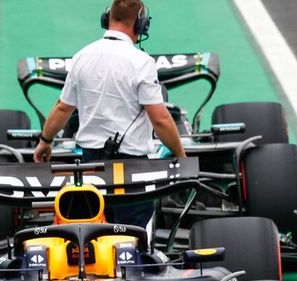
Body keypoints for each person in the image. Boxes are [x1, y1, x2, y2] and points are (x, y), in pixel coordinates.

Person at [33, 0, 185, 226]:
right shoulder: (141, 62)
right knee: (133, 236)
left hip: (90, 165)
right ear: (141, 24)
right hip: (131, 168)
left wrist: (45, 141)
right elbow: (161, 119)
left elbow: (62, 107)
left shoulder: (81, 57)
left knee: (95, 231)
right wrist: (181, 156)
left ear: (107, 19)